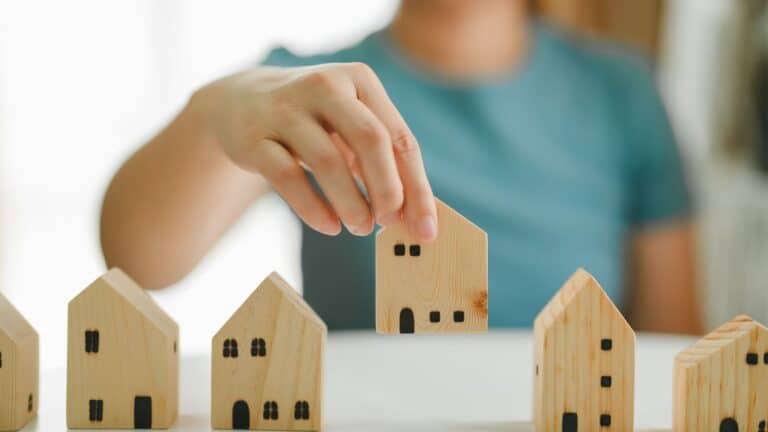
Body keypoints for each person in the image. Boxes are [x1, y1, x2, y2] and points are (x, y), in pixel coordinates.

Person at [100, 0, 701, 333]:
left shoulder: (624, 94)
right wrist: (214, 117)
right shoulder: (302, 96)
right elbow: (138, 258)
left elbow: (672, 343)